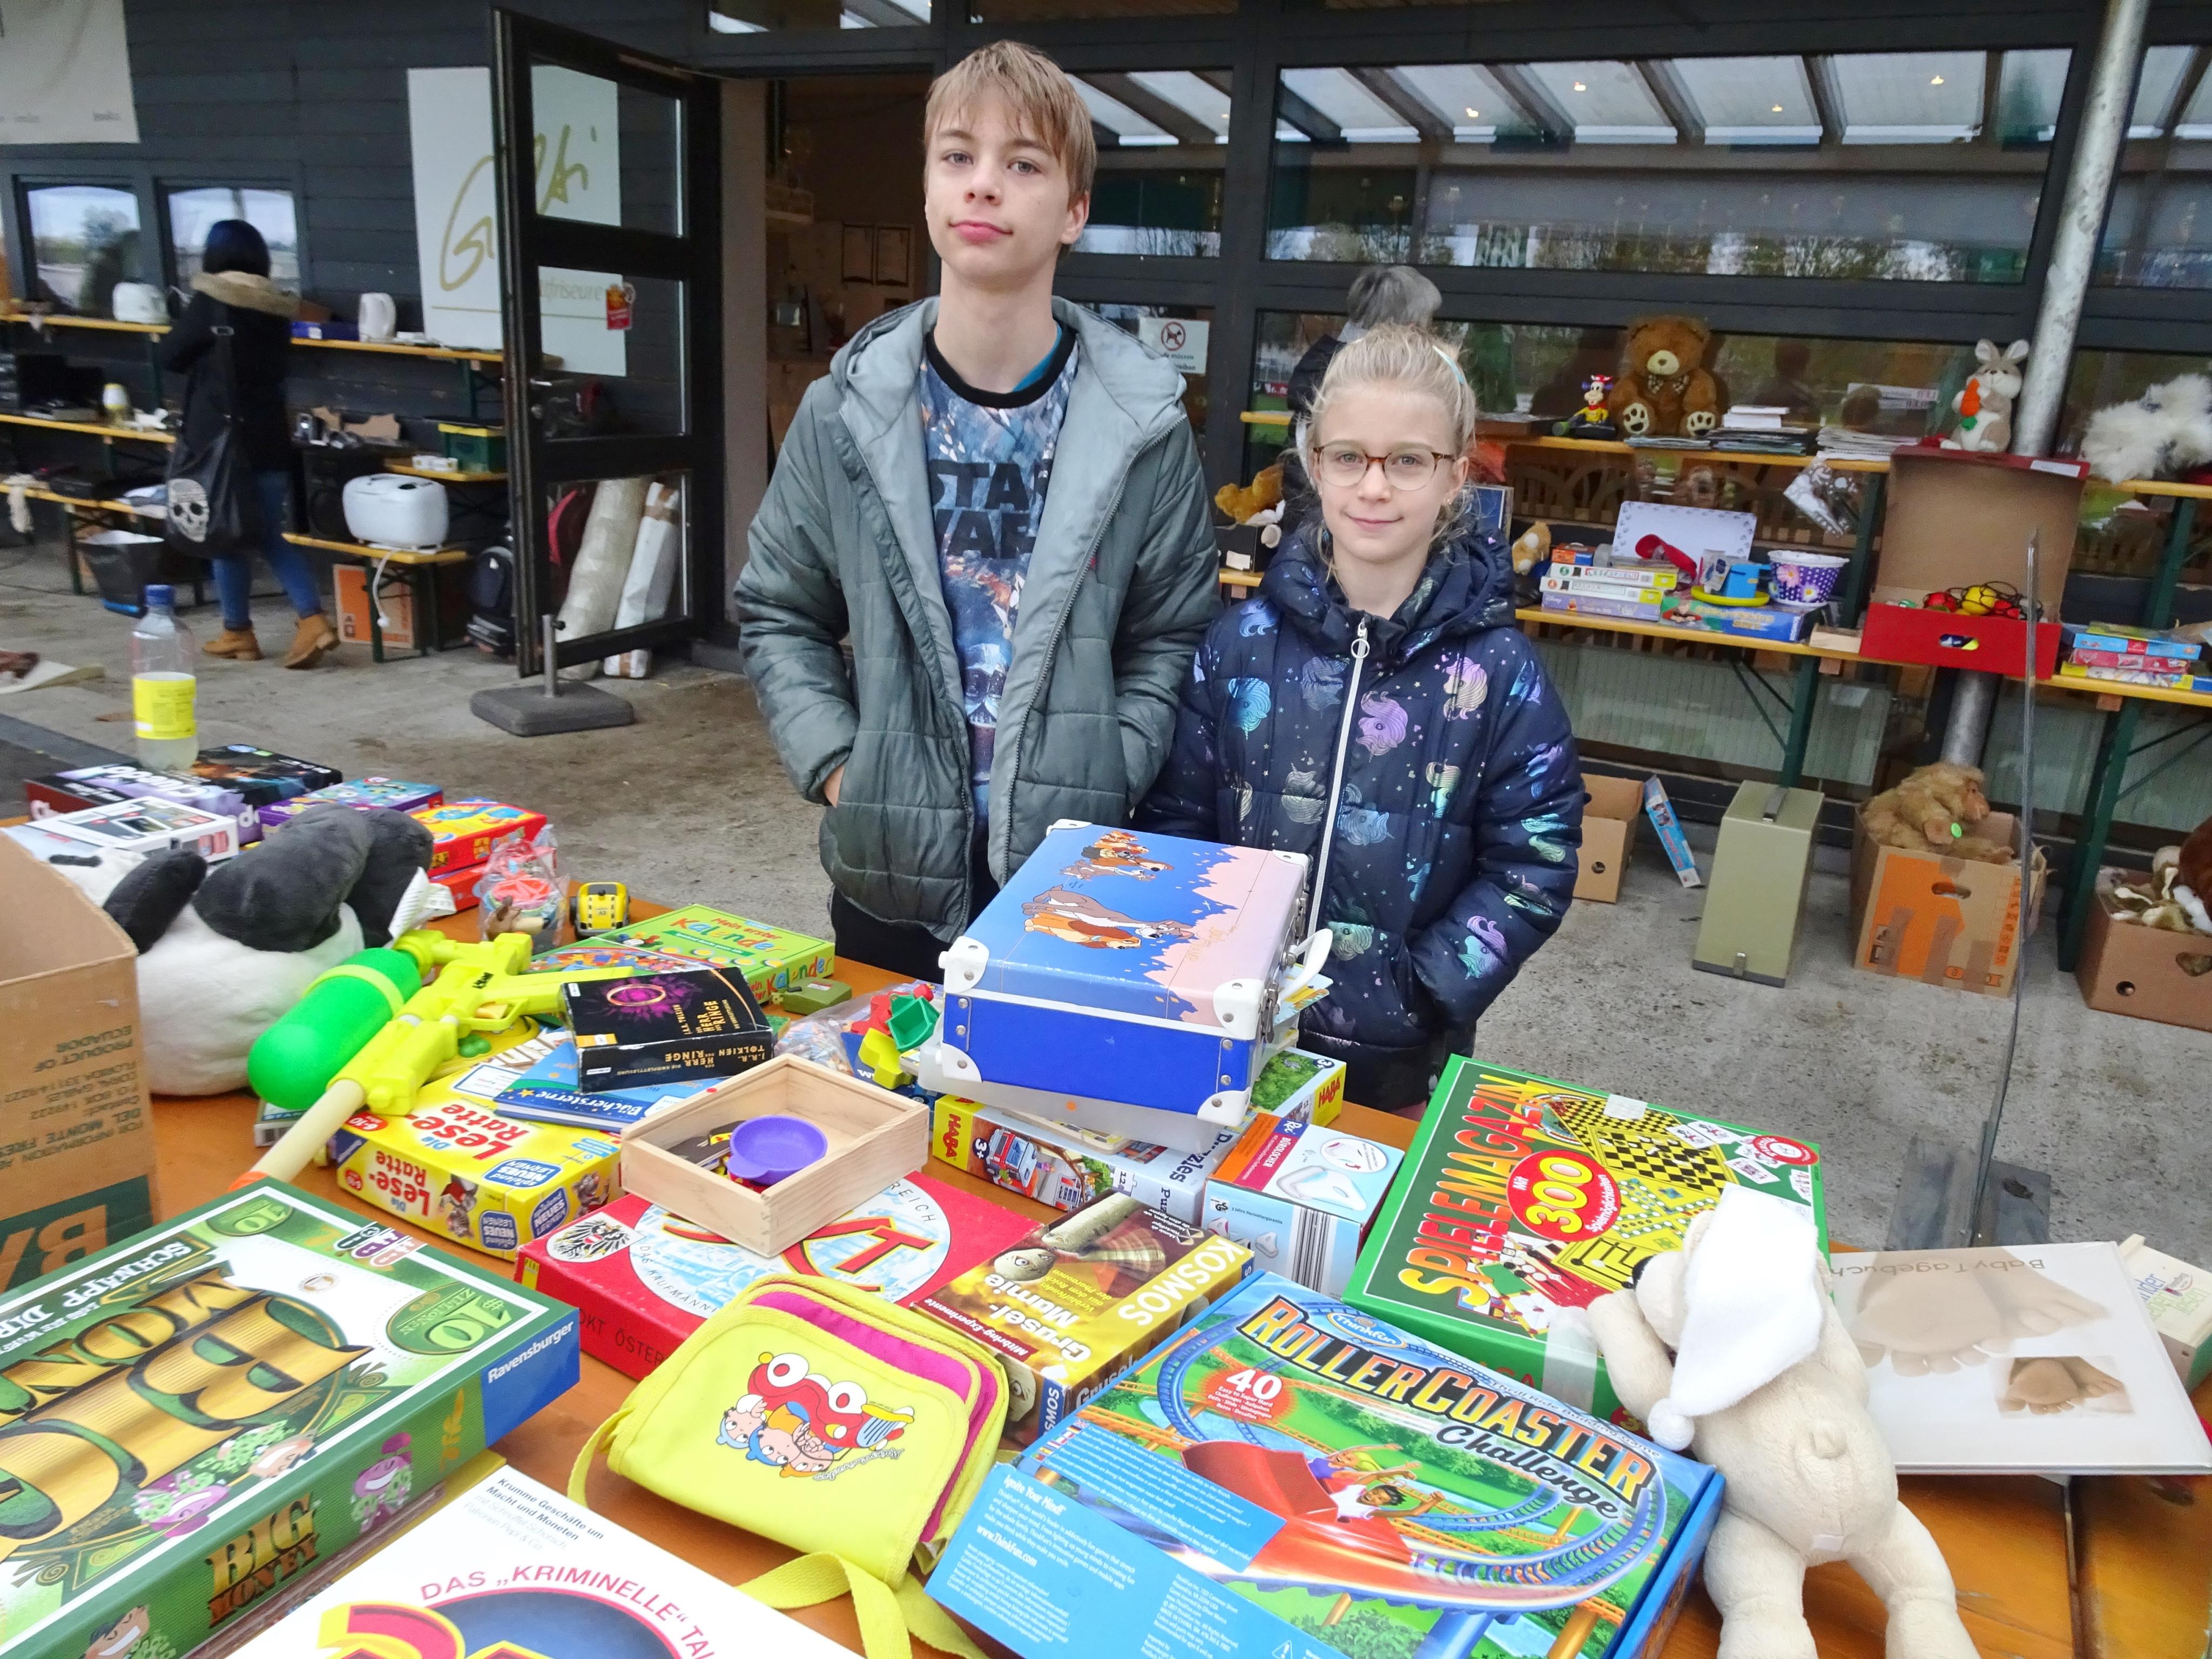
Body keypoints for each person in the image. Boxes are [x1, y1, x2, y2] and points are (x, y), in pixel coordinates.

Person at [737, 42, 1217, 981]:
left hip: (1069, 881)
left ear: (1074, 210)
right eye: (958, 156)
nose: (984, 184)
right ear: (927, 190)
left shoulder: (1143, 428)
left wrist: (1110, 773)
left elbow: (1171, 634)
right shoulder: (845, 413)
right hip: (890, 876)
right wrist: (843, 770)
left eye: (1024, 163)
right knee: (889, 1071)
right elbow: (779, 610)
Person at [1138, 326, 1583, 1112]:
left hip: (1398, 1067)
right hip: (1225, 1038)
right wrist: (1204, 961)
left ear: (1455, 476)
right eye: (1349, 457)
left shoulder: (1498, 674)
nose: (1374, 487)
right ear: (1315, 465)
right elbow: (1178, 821)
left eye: (1408, 461)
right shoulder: (1238, 646)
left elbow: (1534, 862)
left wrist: (1423, 990)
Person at [159, 220, 335, 669]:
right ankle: (239, 632)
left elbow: (170, 356)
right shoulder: (276, 309)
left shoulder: (211, 302)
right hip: (269, 438)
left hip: (219, 445)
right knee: (252, 533)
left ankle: (309, 620)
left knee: (226, 532)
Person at [1279, 266, 1441, 528]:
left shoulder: (1324, 372)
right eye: (1426, 323)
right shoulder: (1355, 384)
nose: (1427, 334)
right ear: (1406, 327)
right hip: (1333, 536)